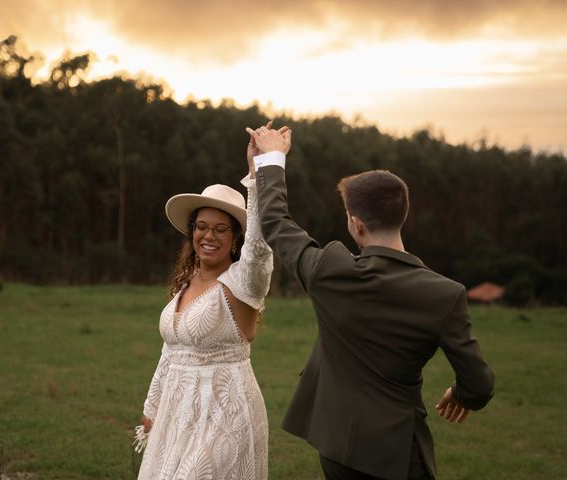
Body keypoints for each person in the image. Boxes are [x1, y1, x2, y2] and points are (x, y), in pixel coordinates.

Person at [245, 124, 495, 480]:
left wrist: (272, 159)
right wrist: (461, 393)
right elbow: (480, 385)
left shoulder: (329, 270)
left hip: (335, 447)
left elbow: (275, 222)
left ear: (356, 224)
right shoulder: (446, 294)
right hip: (396, 454)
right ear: (402, 215)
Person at [134, 156, 276, 479]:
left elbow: (259, 249)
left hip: (224, 416)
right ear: (192, 231)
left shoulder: (241, 283)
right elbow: (170, 352)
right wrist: (151, 408)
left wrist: (260, 176)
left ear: (236, 237)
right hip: (178, 414)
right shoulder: (185, 283)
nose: (209, 236)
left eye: (221, 229)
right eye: (201, 227)